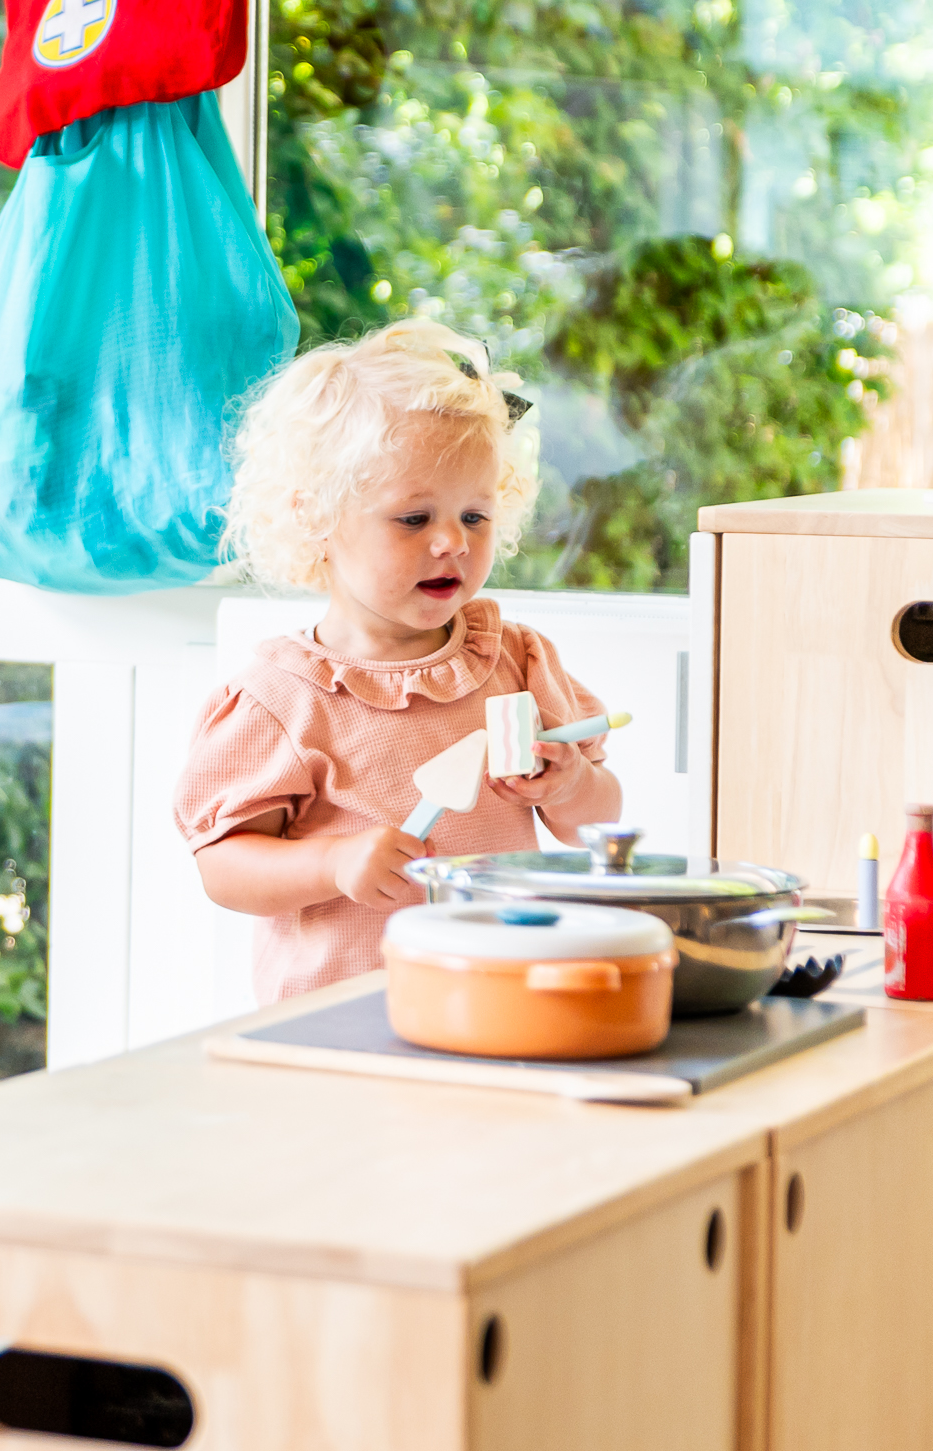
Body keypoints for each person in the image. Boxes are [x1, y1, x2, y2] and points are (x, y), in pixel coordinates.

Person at [177, 319, 624, 1002]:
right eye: (413, 519)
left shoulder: (516, 659)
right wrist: (333, 861)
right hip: (344, 1024)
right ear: (316, 516)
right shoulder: (282, 698)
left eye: (474, 516)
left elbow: (596, 818)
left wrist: (567, 788)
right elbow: (224, 867)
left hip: (498, 997)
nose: (451, 541)